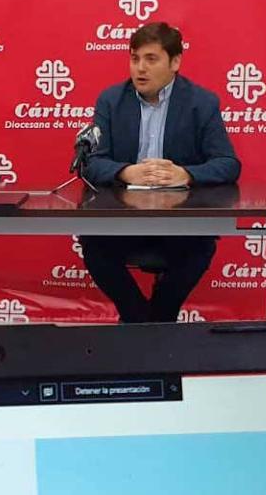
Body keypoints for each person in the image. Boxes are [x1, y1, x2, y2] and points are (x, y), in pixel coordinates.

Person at [82, 22, 241, 324]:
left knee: (199, 248)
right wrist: (127, 172)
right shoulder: (111, 101)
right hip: (123, 220)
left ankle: (154, 320)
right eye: (134, 59)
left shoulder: (201, 103)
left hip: (179, 221)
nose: (140, 68)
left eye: (151, 59)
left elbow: (228, 163)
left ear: (175, 62)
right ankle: (145, 321)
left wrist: (186, 174)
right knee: (94, 247)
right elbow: (91, 162)